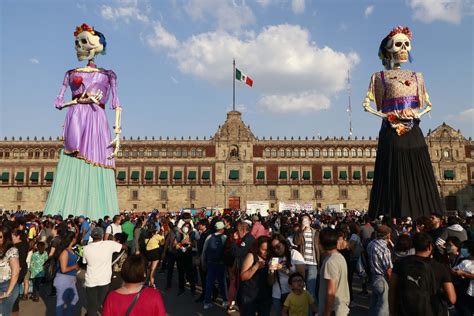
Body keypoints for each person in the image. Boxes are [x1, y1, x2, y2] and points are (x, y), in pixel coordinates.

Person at [363, 26, 443, 219]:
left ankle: (423, 212)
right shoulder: (379, 77)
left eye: (407, 44)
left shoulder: (418, 77)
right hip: (391, 129)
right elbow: (368, 104)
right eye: (398, 44)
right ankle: (393, 212)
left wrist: (416, 114)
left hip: (413, 129)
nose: (404, 49)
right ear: (388, 49)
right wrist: (386, 116)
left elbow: (429, 104)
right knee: (393, 171)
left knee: (418, 167)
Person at [45, 23, 121, 219]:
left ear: (97, 45)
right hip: (77, 115)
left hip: (97, 117)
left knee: (96, 159)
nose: (79, 46)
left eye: (84, 41)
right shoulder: (70, 73)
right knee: (74, 153)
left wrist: (118, 134)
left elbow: (116, 104)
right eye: (77, 42)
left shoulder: (108, 75)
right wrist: (67, 102)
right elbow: (58, 100)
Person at [389, 232, 456, 316]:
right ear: (430, 247)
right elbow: (452, 298)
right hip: (431, 310)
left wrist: (392, 312)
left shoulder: (400, 263)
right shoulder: (440, 267)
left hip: (405, 311)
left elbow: (392, 289)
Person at [82, 226, 122, 316]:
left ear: (91, 236)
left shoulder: (86, 248)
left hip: (91, 280)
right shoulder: (109, 244)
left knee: (92, 306)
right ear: (102, 235)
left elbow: (85, 262)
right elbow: (123, 247)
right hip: (105, 280)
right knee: (104, 304)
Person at [268, 234, 305, 316]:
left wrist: (284, 270)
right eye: (273, 248)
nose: (276, 250)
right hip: (278, 295)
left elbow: (302, 276)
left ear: (284, 243)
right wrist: (271, 272)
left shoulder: (294, 254)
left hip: (295, 293)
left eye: (278, 246)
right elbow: (270, 282)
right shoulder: (273, 259)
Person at [318, 228, 350, 316]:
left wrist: (327, 313)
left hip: (334, 310)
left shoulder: (330, 262)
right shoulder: (339, 257)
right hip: (341, 308)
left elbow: (331, 291)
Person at [239, 235, 272, 316]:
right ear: (257, 248)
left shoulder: (270, 259)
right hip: (249, 294)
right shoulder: (251, 256)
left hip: (264, 295)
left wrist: (272, 271)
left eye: (268, 250)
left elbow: (271, 282)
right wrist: (256, 267)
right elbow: (243, 277)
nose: (266, 252)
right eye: (263, 250)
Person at [293, 214, 320, 302]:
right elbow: (296, 242)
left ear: (310, 221)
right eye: (303, 220)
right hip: (302, 264)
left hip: (313, 263)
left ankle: (313, 312)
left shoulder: (316, 233)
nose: (304, 222)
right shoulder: (299, 233)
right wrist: (301, 231)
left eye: (306, 220)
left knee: (311, 290)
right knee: (301, 290)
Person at [367, 225, 393, 316]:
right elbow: (388, 269)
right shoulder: (384, 249)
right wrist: (392, 282)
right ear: (388, 235)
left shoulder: (371, 244)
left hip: (373, 276)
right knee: (384, 307)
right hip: (382, 278)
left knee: (374, 303)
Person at [202, 221, 228, 310]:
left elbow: (204, 250)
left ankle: (207, 302)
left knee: (209, 283)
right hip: (221, 263)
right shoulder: (224, 237)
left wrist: (203, 262)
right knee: (222, 283)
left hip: (210, 263)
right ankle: (225, 300)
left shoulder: (209, 237)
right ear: (221, 229)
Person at [54, 231, 79, 316]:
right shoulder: (65, 252)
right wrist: (75, 267)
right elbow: (63, 269)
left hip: (70, 278)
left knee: (74, 298)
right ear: (71, 239)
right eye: (75, 237)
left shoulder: (71, 250)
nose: (76, 239)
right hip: (63, 278)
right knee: (60, 303)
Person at [0, 225, 20, 316]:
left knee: (3, 313)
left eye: (0, 236)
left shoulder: (11, 251)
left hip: (6, 285)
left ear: (6, 237)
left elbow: (15, 272)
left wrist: (7, 293)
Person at [451, 240, 474, 316]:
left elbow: (453, 271)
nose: (463, 249)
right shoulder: (465, 262)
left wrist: (463, 273)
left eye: (464, 247)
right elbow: (453, 271)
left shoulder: (466, 263)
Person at [175, 221, 196, 296]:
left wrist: (189, 243)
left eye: (187, 226)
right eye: (185, 226)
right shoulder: (178, 234)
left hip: (188, 256)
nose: (186, 228)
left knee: (190, 273)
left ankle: (193, 289)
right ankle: (181, 288)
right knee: (181, 273)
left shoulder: (192, 234)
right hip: (180, 256)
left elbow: (195, 245)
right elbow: (176, 246)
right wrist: (181, 243)